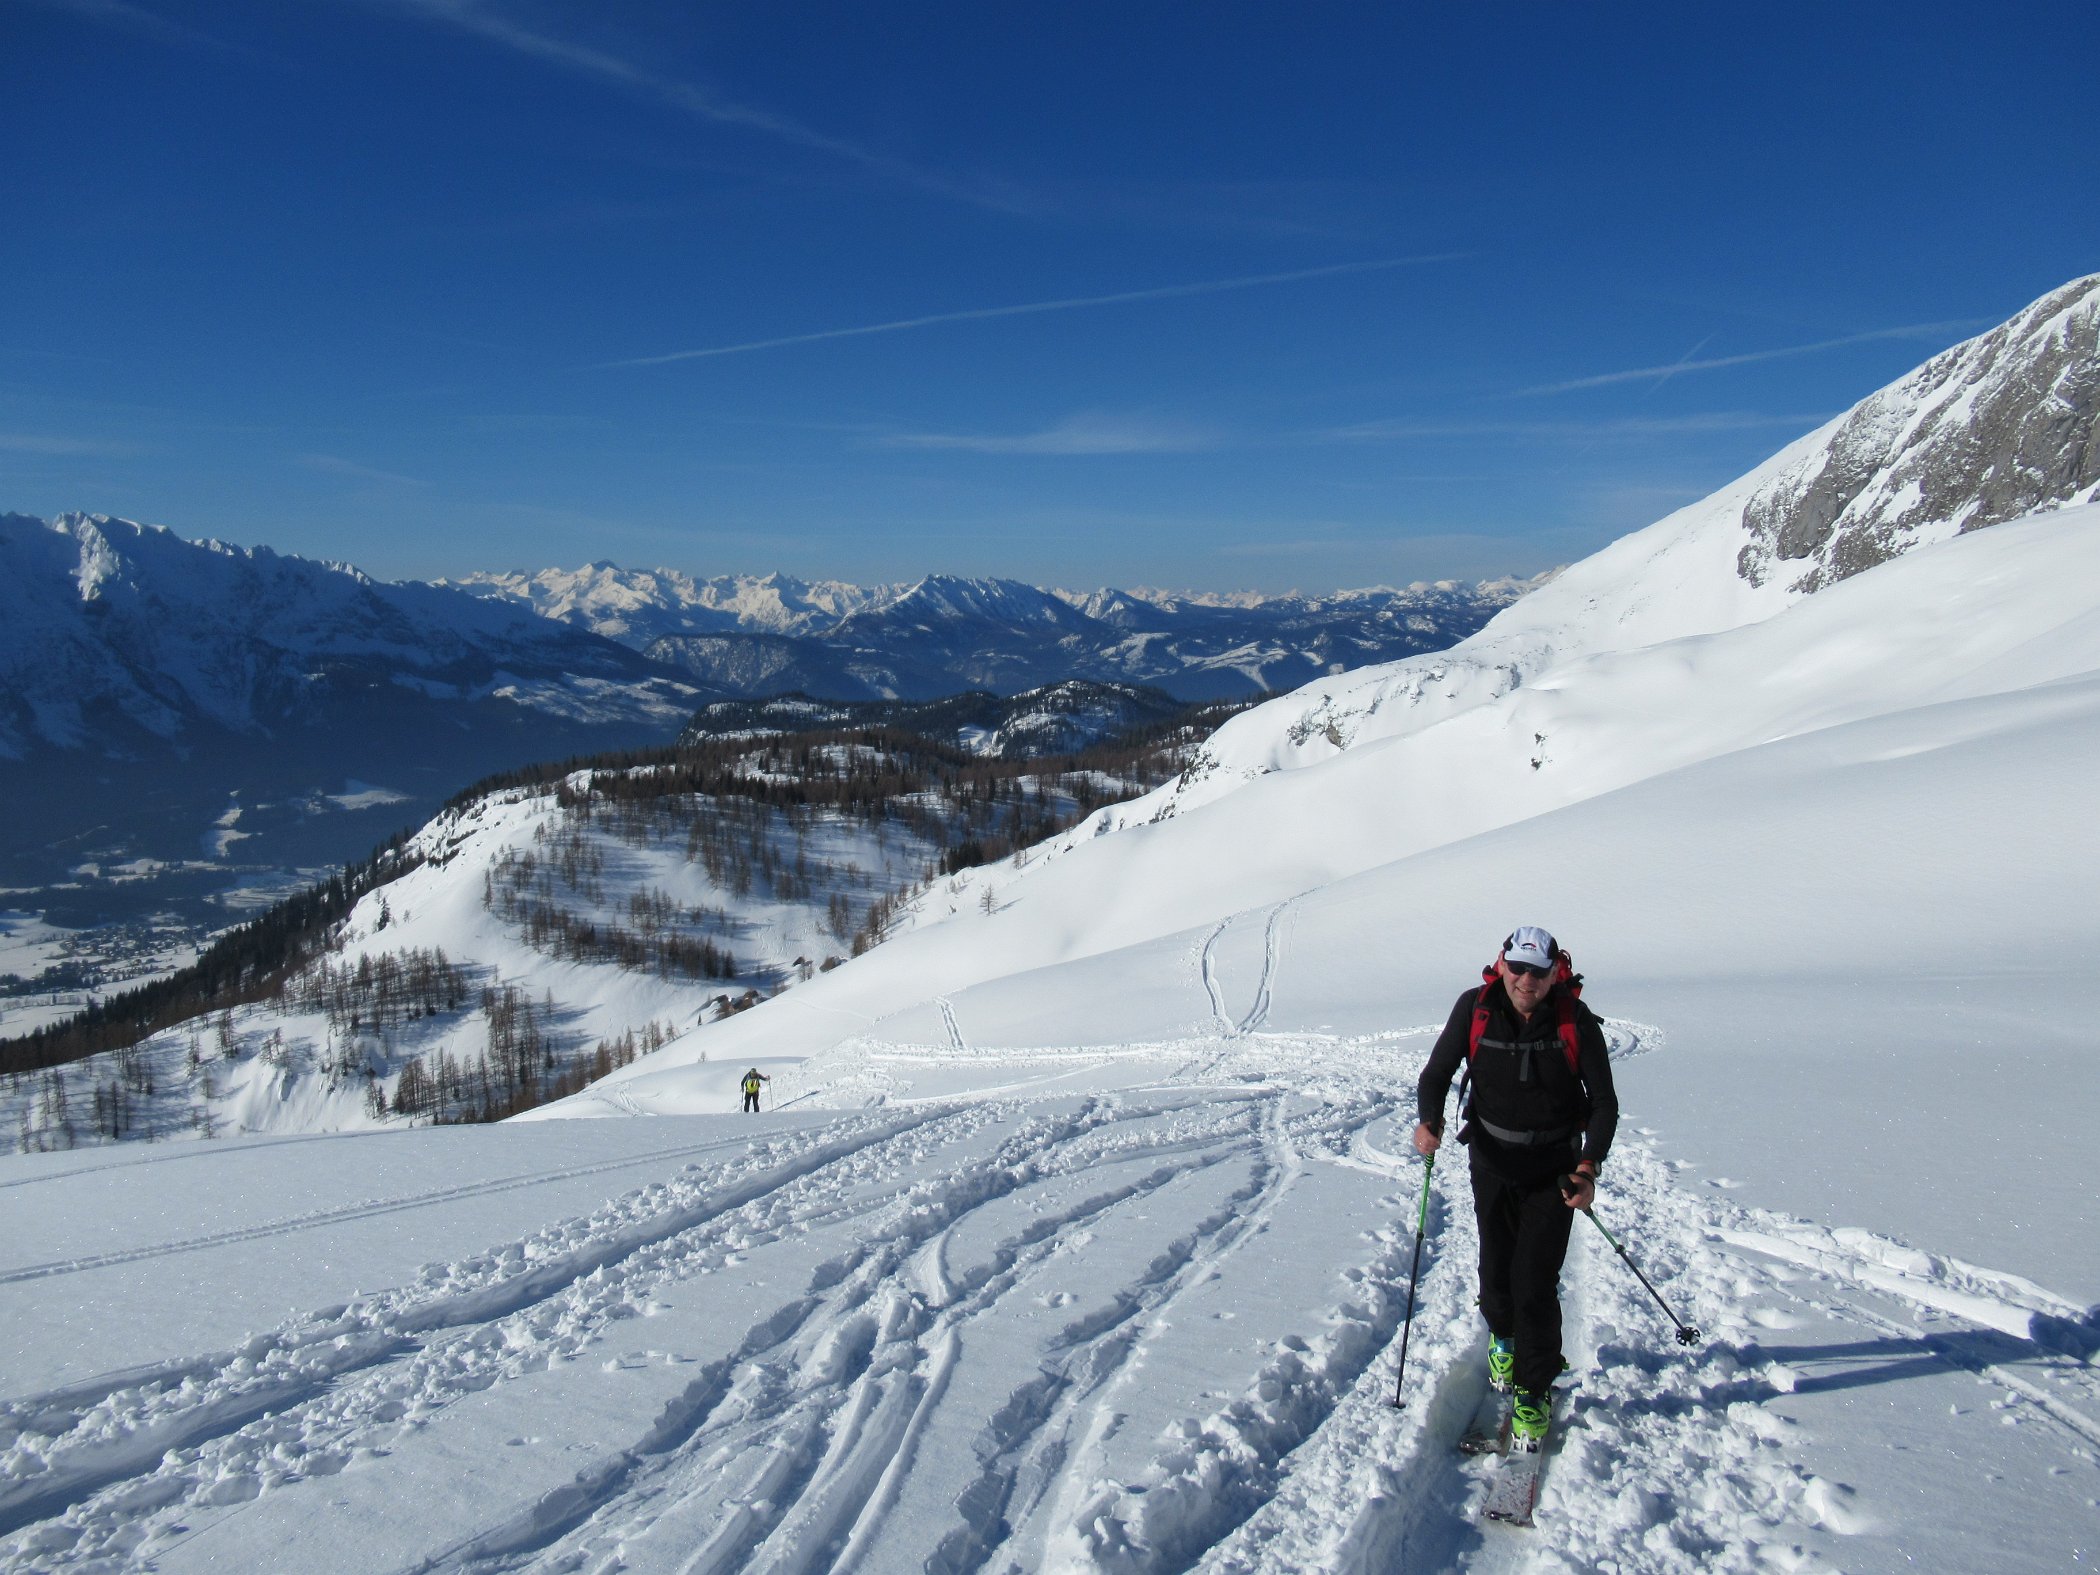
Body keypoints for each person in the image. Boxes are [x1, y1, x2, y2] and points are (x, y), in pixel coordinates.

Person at [1413, 925, 1617, 1450]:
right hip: (1491, 1161)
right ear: (1502, 965)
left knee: (1534, 1283)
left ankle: (1534, 1389)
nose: (1527, 980)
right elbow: (1436, 1073)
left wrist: (1588, 1168)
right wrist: (1429, 1119)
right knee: (1496, 1275)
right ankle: (1502, 1338)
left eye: (1538, 972)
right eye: (1519, 968)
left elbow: (1603, 1103)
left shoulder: (1574, 1020)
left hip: (1554, 1170)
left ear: (1554, 974)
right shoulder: (1475, 1008)